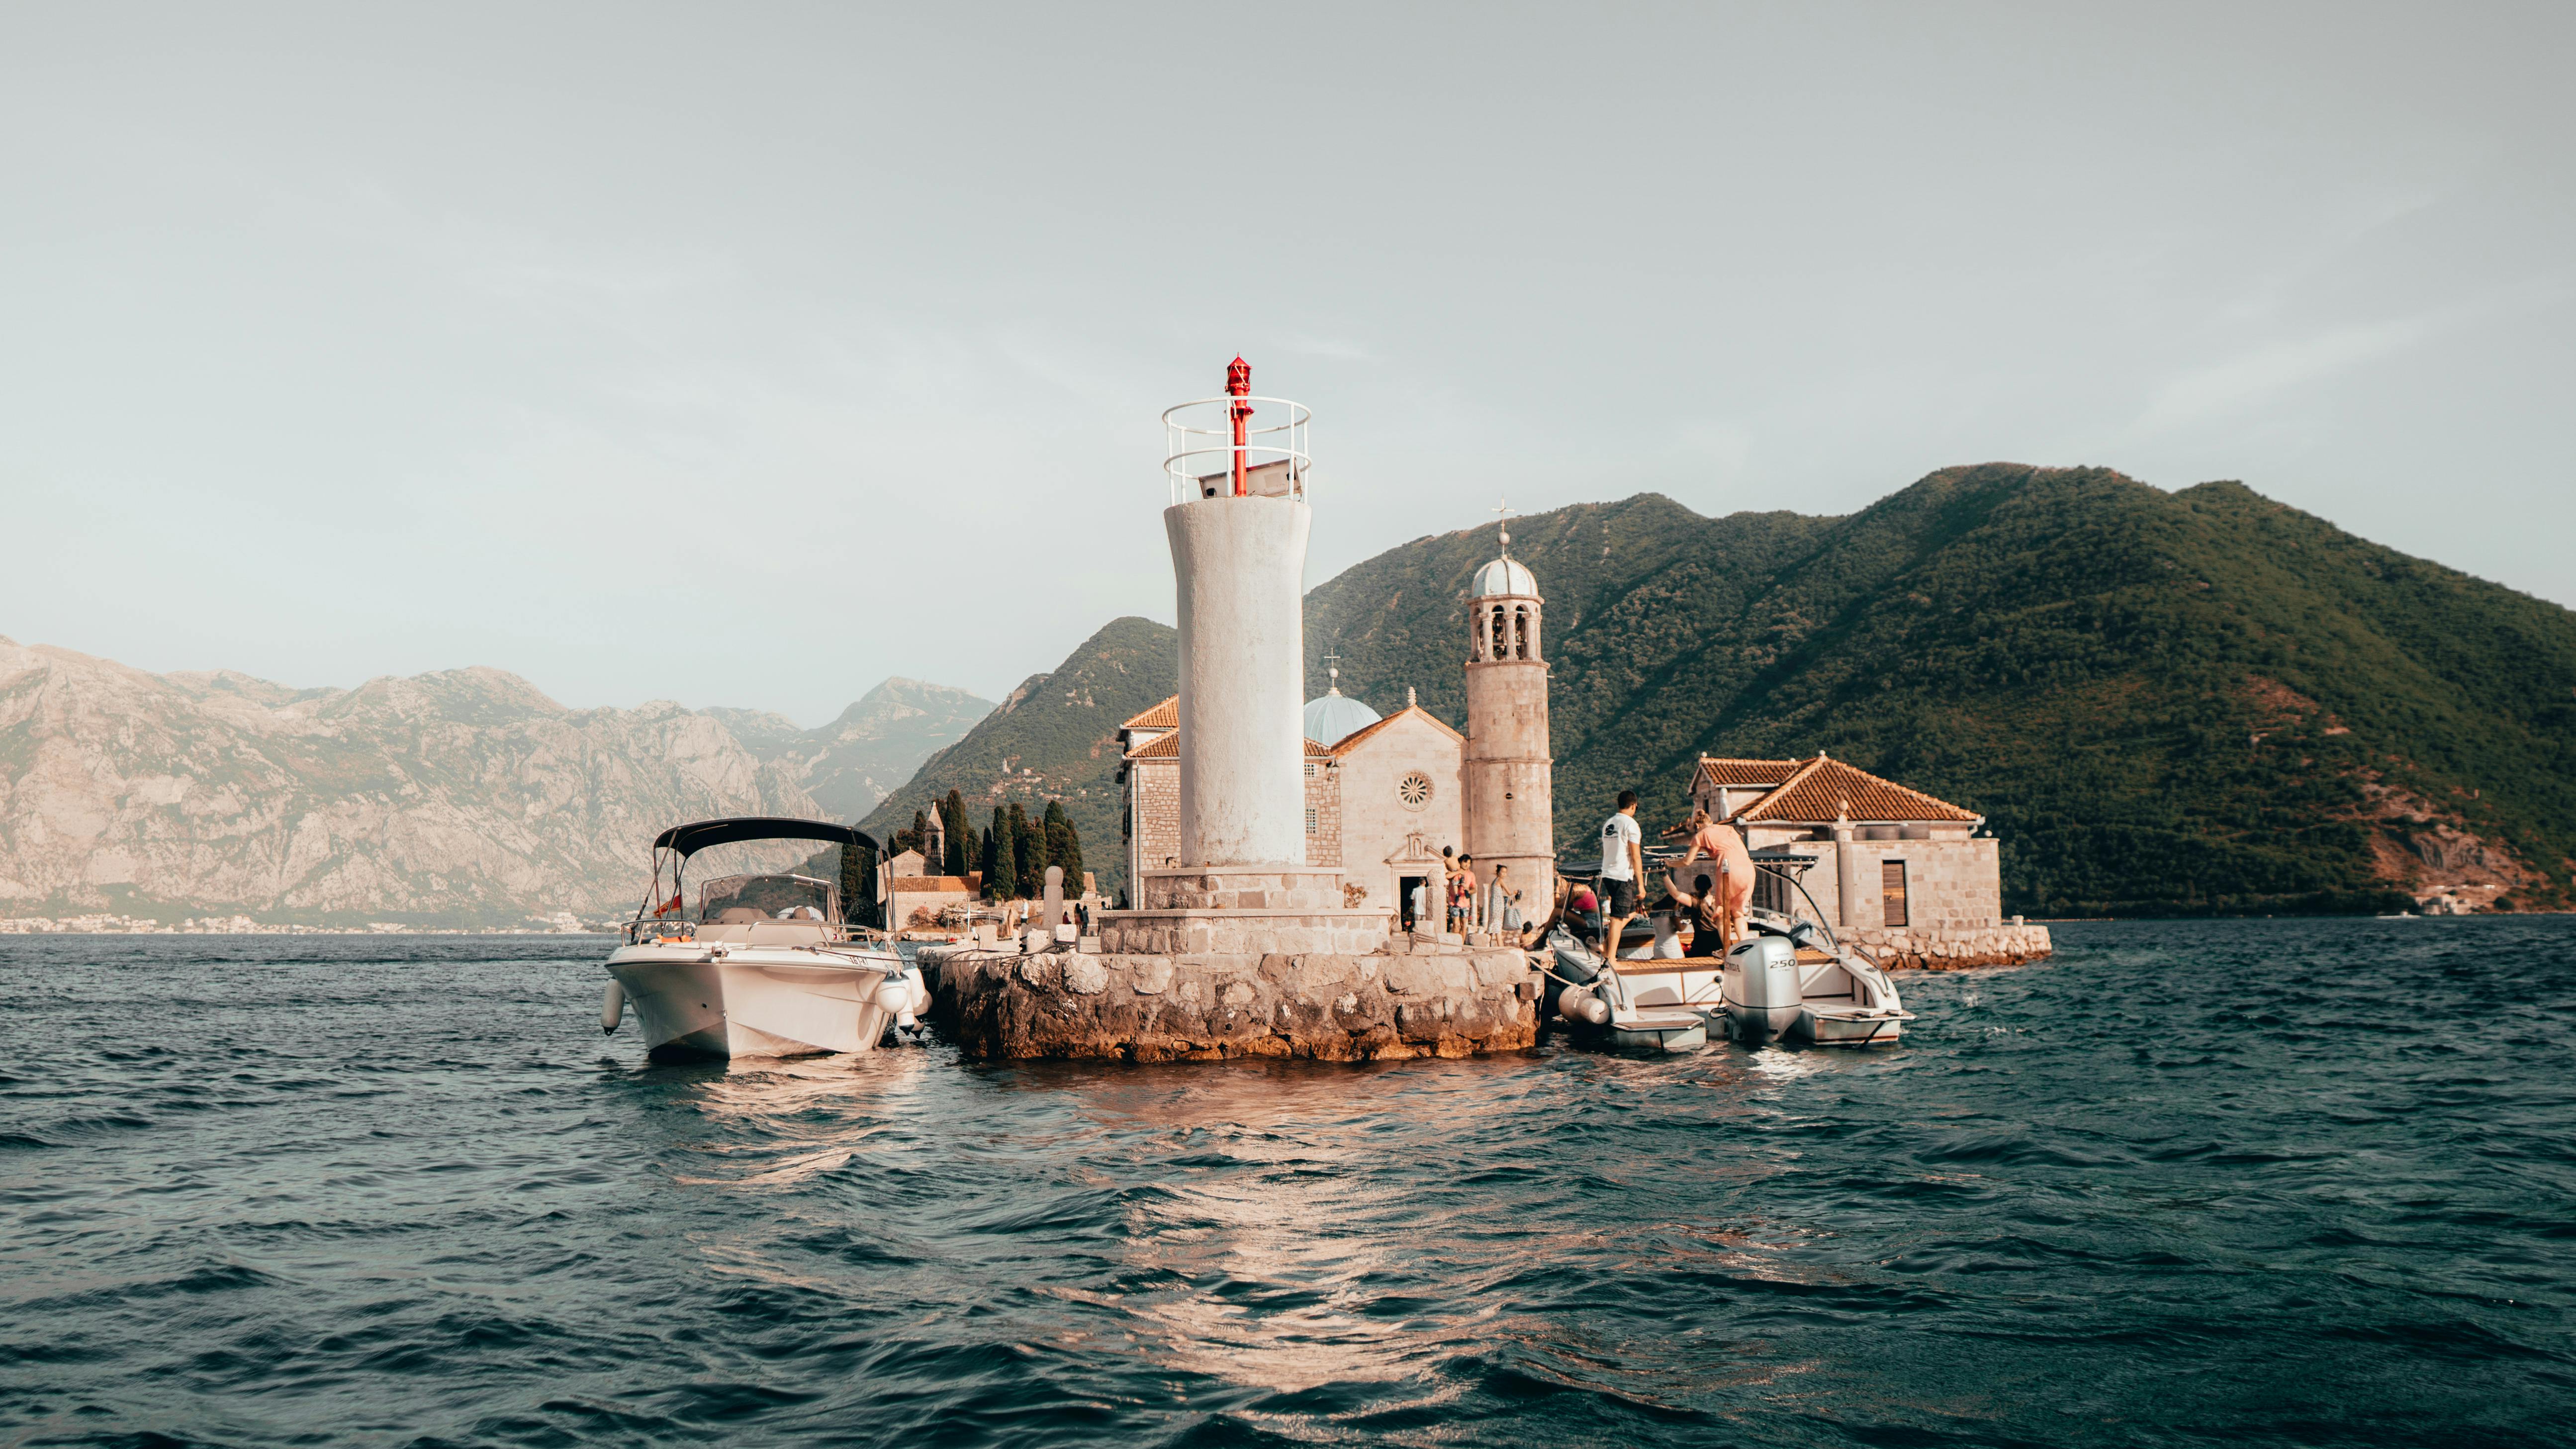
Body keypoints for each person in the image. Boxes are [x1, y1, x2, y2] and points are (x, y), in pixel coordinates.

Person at [1674, 805, 1756, 953]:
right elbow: (1743, 851)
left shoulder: (1701, 835)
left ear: (1698, 825)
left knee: (1721, 914)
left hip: (1729, 868)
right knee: (1738, 913)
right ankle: (1744, 948)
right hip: (1748, 868)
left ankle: (1727, 950)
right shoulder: (1729, 829)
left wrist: (1670, 864)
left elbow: (1687, 861)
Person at [1598, 789, 1644, 958]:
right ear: (1633, 806)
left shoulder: (1609, 823)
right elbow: (1636, 856)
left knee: (1631, 911)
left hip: (1608, 874)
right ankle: (1610, 958)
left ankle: (1605, 944)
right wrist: (1641, 884)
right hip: (1622, 876)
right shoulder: (1631, 825)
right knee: (1617, 919)